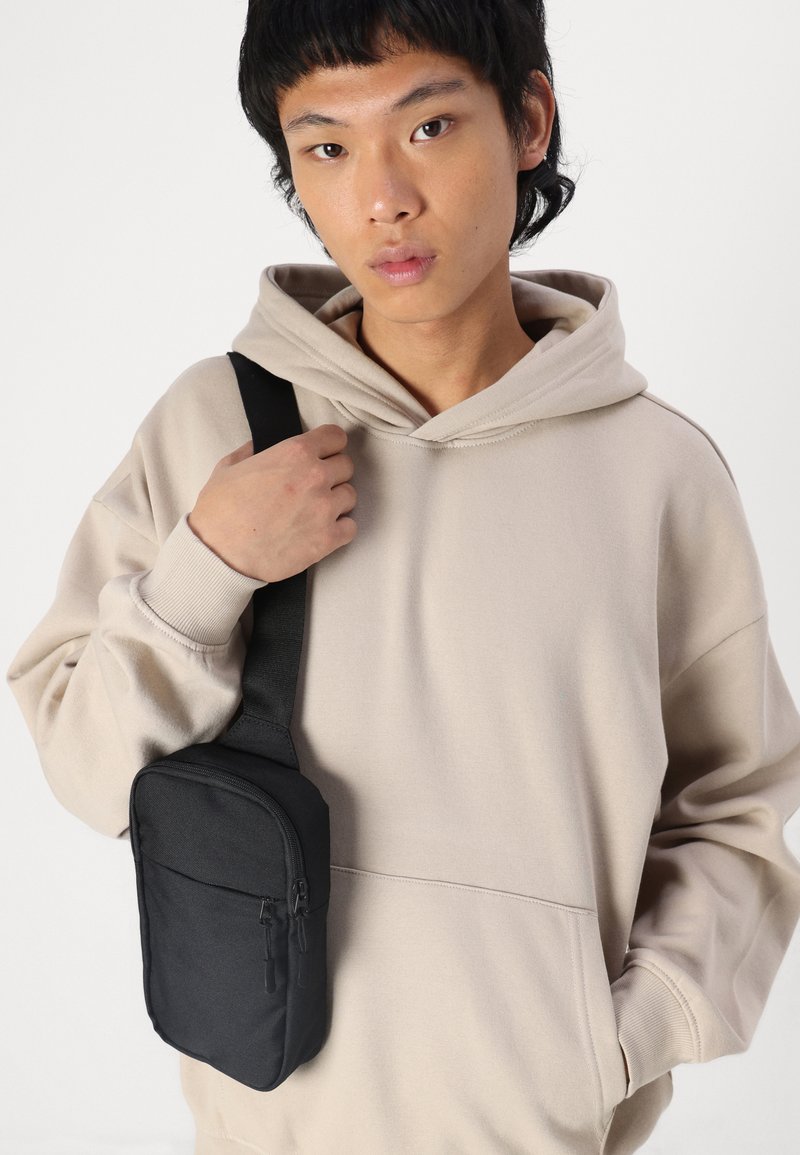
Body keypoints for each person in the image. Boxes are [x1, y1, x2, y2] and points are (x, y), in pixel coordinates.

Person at [6, 2, 800, 1153]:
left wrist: (620, 1036)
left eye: (426, 127)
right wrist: (208, 567)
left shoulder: (656, 474)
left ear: (527, 119)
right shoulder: (218, 428)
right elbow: (85, 773)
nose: (379, 197)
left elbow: (730, 808)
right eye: (327, 146)